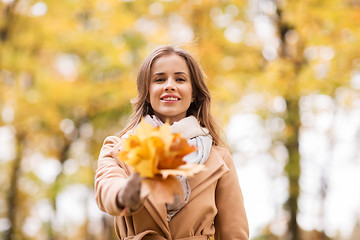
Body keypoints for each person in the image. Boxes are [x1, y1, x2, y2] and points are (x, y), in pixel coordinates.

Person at [94, 45, 249, 240]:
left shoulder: (219, 158)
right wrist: (125, 195)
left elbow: (234, 233)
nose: (169, 85)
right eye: (159, 79)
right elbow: (106, 188)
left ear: (193, 94)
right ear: (147, 93)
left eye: (180, 79)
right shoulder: (118, 148)